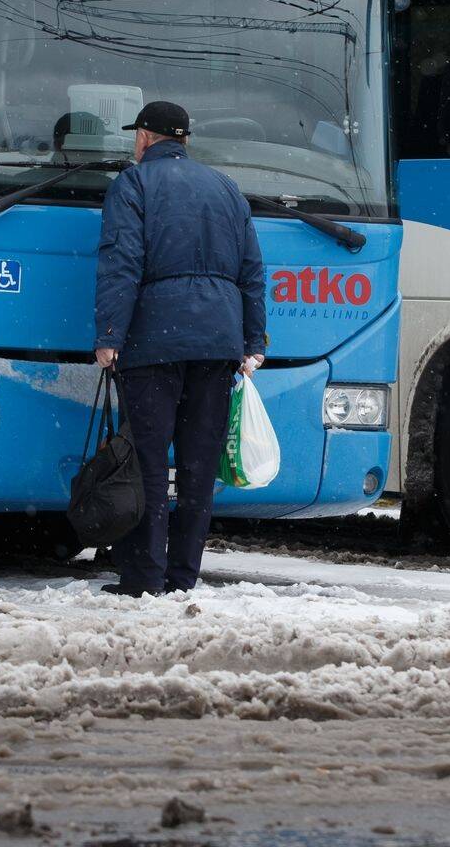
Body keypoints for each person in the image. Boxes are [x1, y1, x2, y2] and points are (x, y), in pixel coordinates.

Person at [93, 100, 266, 596]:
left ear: (145, 137)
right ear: (184, 140)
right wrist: (253, 341)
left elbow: (121, 262)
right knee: (198, 465)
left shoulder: (133, 184)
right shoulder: (226, 188)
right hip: (218, 344)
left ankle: (144, 576)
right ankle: (184, 576)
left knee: (146, 461)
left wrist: (109, 336)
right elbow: (252, 270)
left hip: (154, 345)